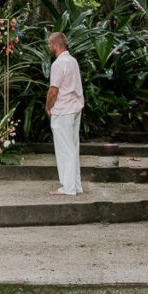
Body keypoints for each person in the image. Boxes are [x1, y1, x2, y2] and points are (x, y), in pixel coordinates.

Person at [46, 32, 85, 195]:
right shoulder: (73, 61)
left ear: (55, 45)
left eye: (49, 44)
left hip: (63, 110)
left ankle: (68, 188)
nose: (48, 47)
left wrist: (48, 107)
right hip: (75, 108)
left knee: (65, 150)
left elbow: (53, 90)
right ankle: (75, 185)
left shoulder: (58, 64)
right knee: (73, 148)